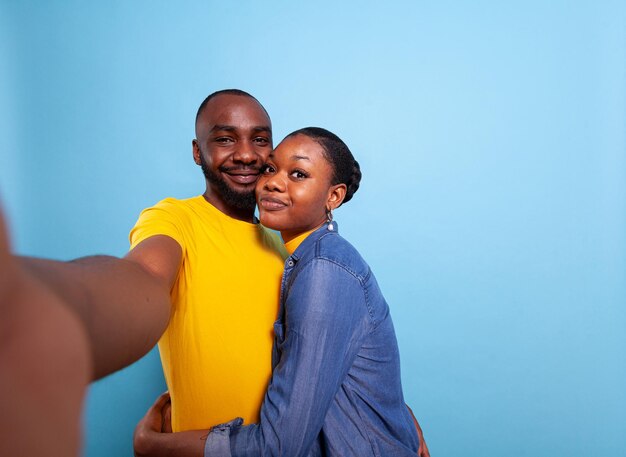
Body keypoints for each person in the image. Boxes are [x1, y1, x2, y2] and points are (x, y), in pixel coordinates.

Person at [133, 127, 430, 457]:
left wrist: (157, 446)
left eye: (299, 174)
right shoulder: (305, 259)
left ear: (334, 196)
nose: (273, 182)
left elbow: (279, 447)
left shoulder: (323, 269)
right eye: (271, 168)